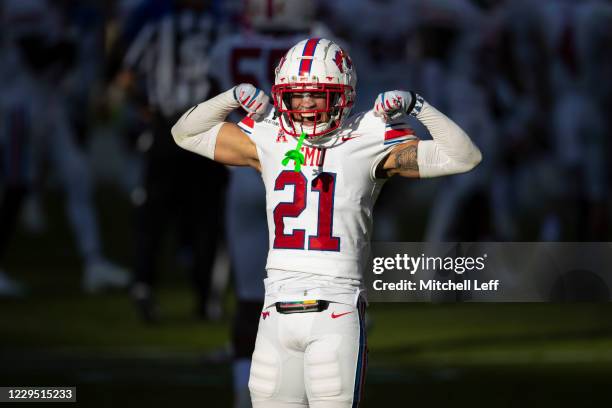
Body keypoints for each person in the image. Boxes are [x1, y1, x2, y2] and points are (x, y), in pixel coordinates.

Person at [172, 38, 481, 407]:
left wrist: (418, 105)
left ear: (342, 95)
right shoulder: (269, 135)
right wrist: (231, 97)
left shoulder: (370, 135)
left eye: (316, 95)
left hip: (336, 307)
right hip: (274, 308)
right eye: (295, 95)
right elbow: (184, 133)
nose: (304, 105)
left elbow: (464, 157)